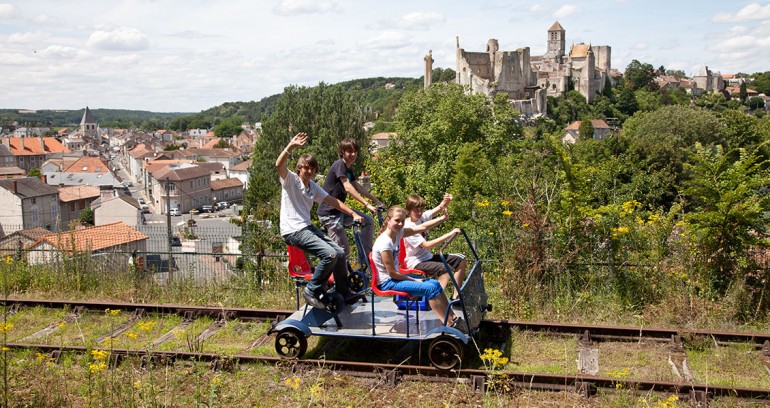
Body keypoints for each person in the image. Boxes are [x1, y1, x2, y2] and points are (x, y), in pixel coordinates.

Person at [276, 133, 364, 308]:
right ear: (299, 168)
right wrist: (291, 146)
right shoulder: (291, 181)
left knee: (338, 253)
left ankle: (343, 291)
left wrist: (353, 214)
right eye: (305, 168)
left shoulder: (313, 187)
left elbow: (334, 202)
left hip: (306, 227)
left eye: (312, 169)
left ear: (315, 171)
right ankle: (312, 289)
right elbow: (279, 164)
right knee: (329, 254)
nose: (308, 171)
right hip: (293, 230)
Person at [372, 206, 465, 330]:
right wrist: (415, 280)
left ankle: (452, 318)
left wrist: (442, 218)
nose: (400, 224)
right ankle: (448, 324)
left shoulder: (398, 233)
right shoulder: (385, 243)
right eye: (397, 220)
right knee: (430, 289)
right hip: (387, 282)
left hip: (395, 277)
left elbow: (422, 227)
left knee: (435, 284)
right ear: (388, 220)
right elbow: (392, 273)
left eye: (402, 221)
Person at [317, 138, 384, 257]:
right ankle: (339, 274)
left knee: (368, 221)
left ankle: (366, 259)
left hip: (340, 210)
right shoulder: (339, 165)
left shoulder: (348, 169)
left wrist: (376, 201)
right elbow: (348, 187)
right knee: (343, 251)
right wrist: (367, 205)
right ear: (342, 152)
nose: (353, 154)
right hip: (329, 213)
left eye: (355, 151)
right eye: (349, 151)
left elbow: (358, 187)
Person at [403, 194, 466, 299]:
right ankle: (436, 299)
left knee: (460, 259)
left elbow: (439, 207)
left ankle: (456, 297)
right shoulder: (408, 227)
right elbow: (427, 245)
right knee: (445, 269)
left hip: (427, 257)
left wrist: (447, 200)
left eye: (421, 210)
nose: (419, 213)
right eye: (416, 211)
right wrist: (450, 234)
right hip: (416, 262)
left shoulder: (422, 217)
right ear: (409, 210)